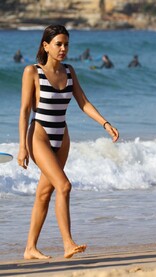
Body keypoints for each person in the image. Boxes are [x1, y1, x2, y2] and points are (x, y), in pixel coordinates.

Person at [18, 25, 119, 259]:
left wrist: (105, 124)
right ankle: (67, 242)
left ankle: (30, 248)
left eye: (66, 44)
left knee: (45, 192)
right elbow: (24, 111)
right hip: (39, 136)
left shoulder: (69, 71)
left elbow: (83, 102)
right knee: (64, 186)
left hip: (62, 137)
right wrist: (22, 145)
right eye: (58, 44)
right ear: (46, 46)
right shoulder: (32, 72)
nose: (63, 49)